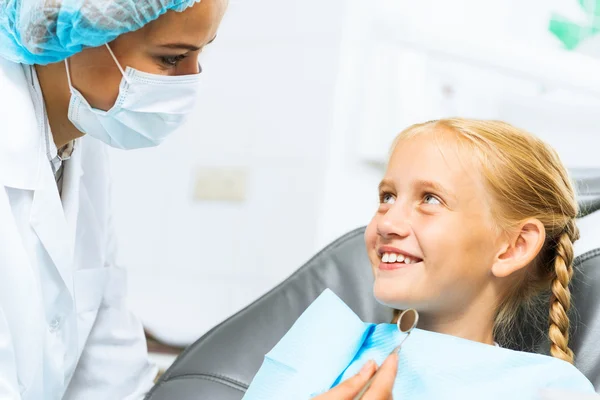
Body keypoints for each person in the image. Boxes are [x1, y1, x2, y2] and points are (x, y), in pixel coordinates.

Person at [0, 1, 393, 398]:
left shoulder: (81, 154)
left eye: (201, 53)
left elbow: (110, 379)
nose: (191, 80)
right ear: (66, 32)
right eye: (171, 58)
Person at [244, 118, 597, 399]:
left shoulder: (550, 387)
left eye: (430, 199)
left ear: (513, 246)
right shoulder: (323, 342)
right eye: (387, 196)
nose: (387, 222)